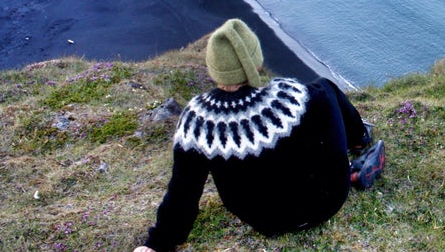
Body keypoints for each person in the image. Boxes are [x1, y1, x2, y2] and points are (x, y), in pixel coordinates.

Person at [133, 18, 385, 252]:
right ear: (257, 62)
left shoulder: (197, 120)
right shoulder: (292, 95)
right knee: (325, 89)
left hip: (267, 221)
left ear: (213, 71)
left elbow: (182, 194)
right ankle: (359, 139)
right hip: (327, 201)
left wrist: (157, 244)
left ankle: (349, 159)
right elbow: (326, 124)